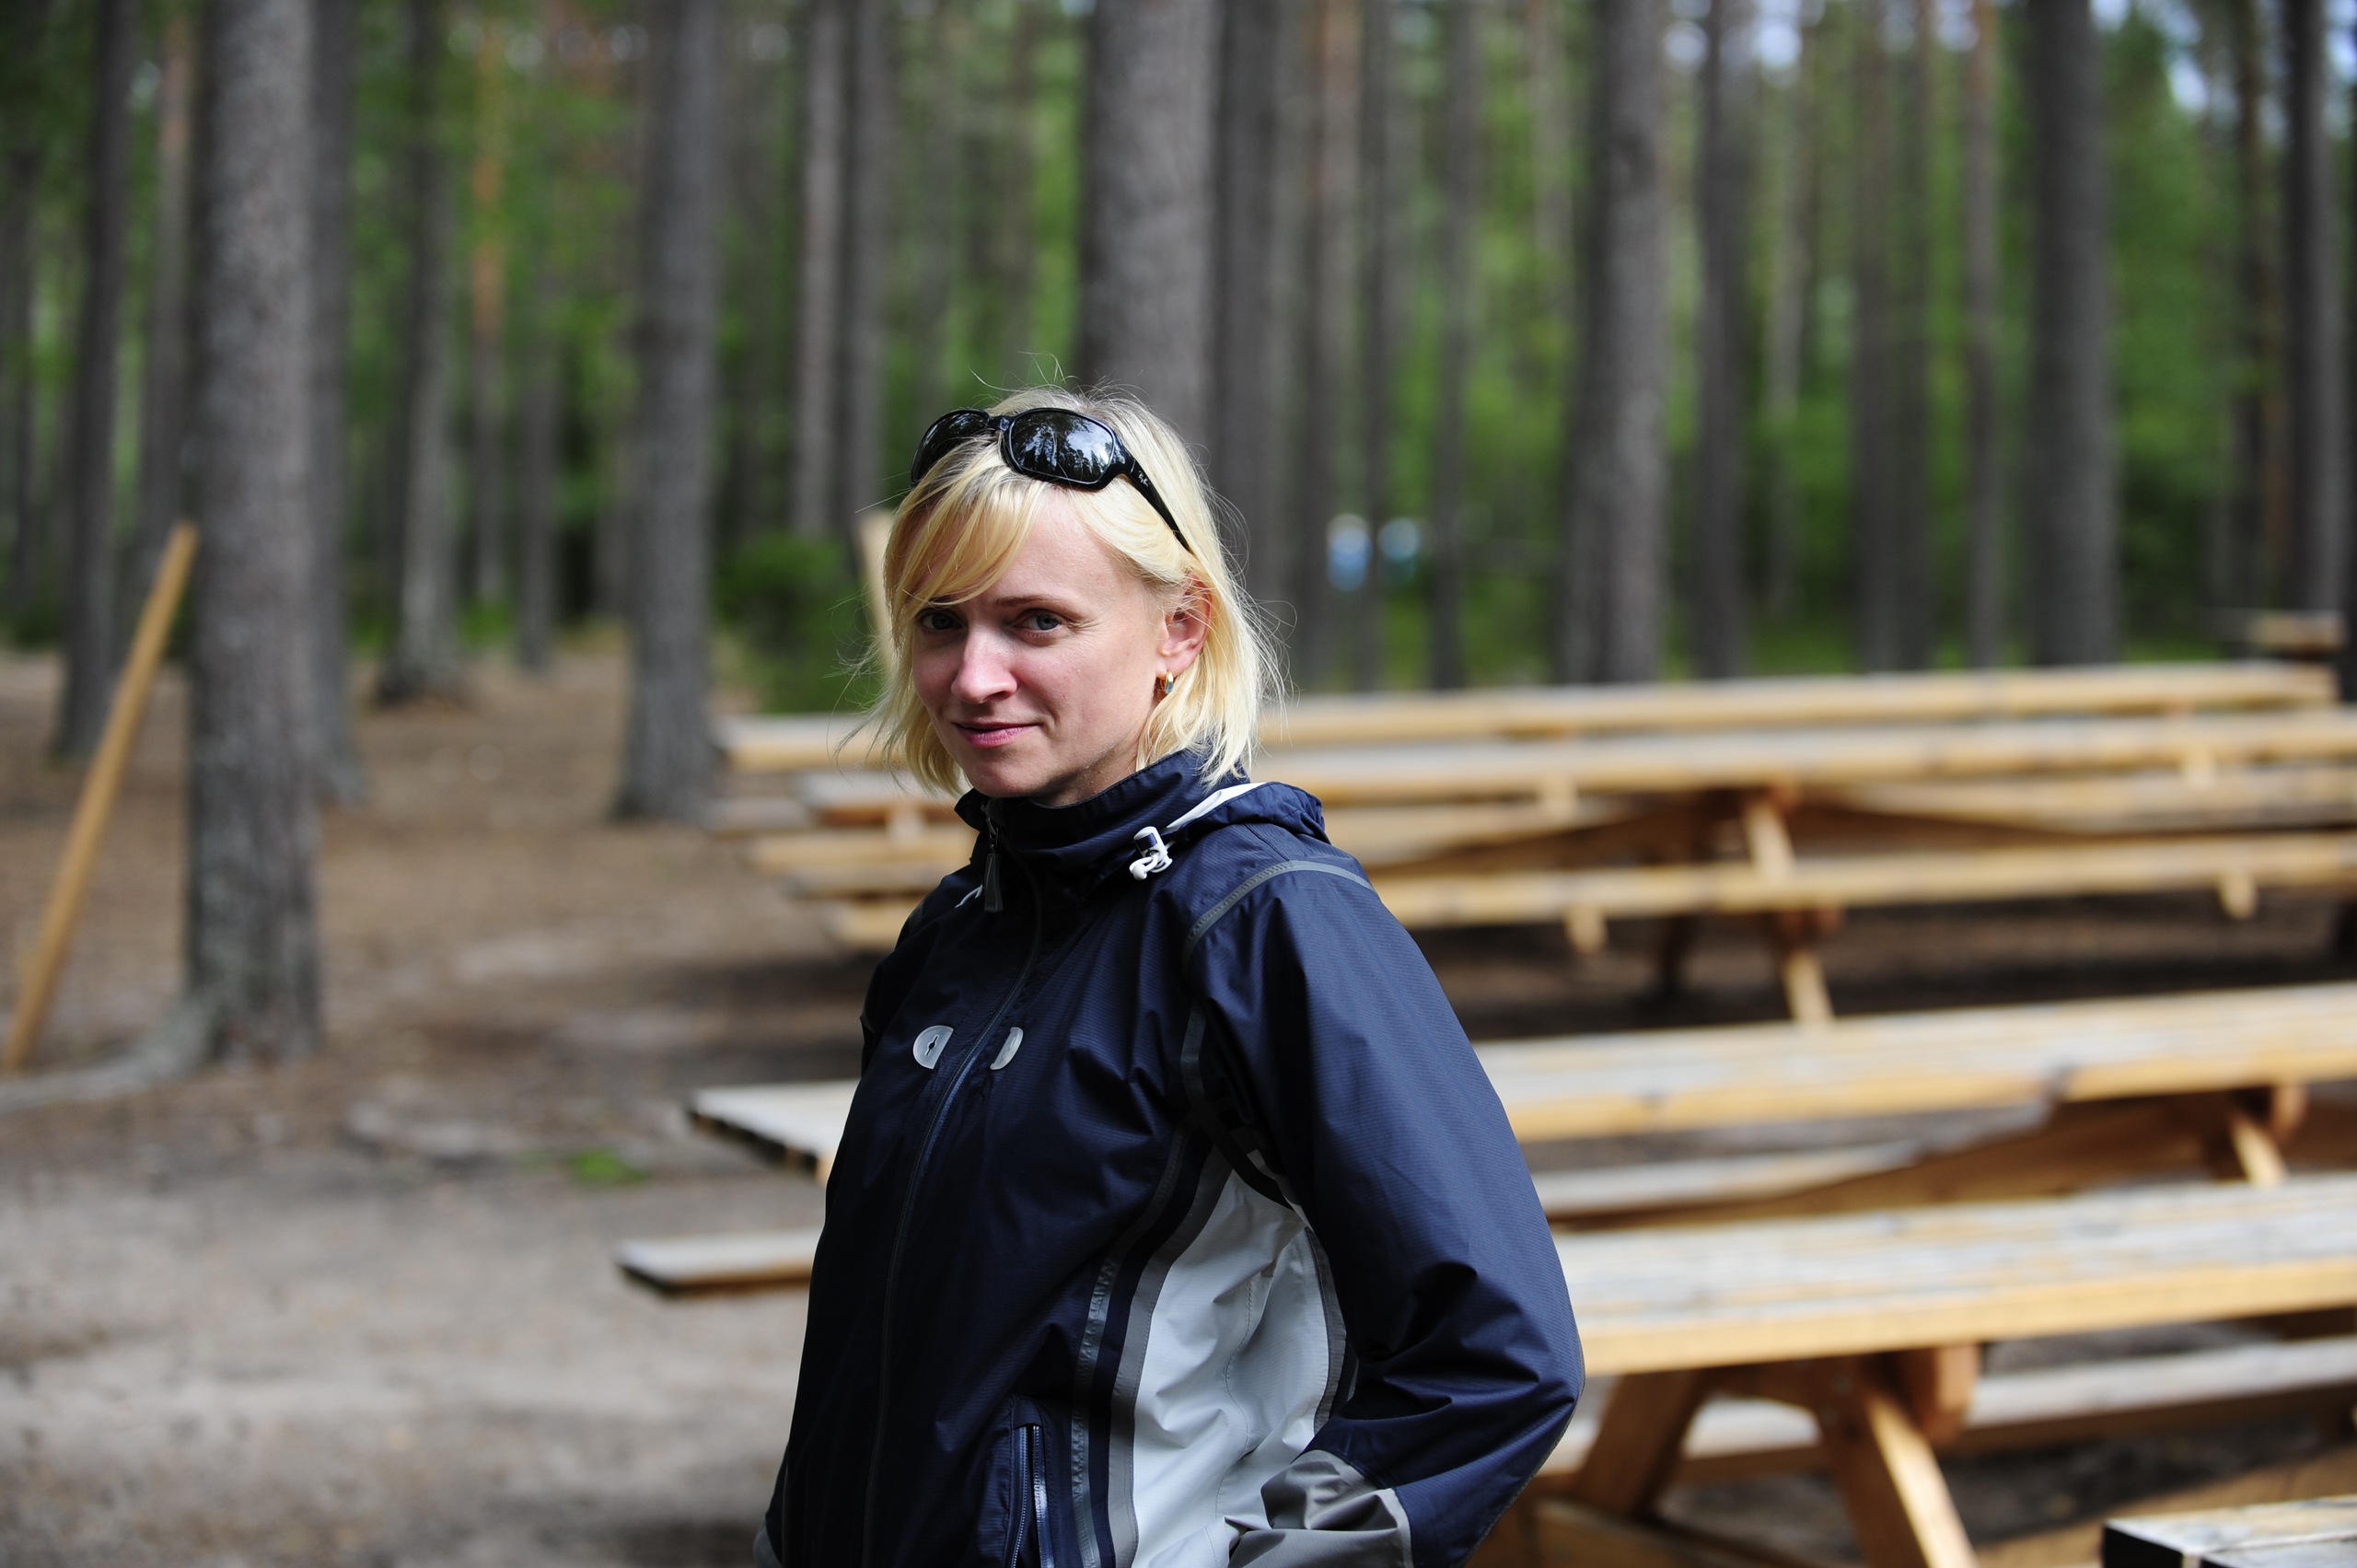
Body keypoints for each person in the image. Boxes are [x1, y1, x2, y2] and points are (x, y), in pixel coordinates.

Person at [757, 388, 1581, 1568]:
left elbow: (1494, 1352)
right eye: (940, 620)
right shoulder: (960, 927)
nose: (973, 675)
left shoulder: (1267, 917)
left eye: (1036, 621)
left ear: (1179, 631)